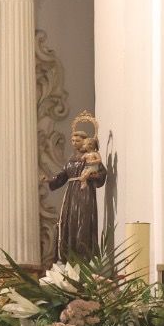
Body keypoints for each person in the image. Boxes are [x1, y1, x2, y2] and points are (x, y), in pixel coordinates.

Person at [45, 111, 107, 261]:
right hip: (71, 193)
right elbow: (63, 175)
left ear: (86, 142)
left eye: (77, 141)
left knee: (83, 222)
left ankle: (84, 258)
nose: (74, 143)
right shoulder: (71, 158)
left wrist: (90, 176)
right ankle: (68, 258)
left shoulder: (91, 156)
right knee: (68, 222)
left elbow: (101, 174)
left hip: (85, 193)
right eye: (72, 141)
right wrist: (49, 180)